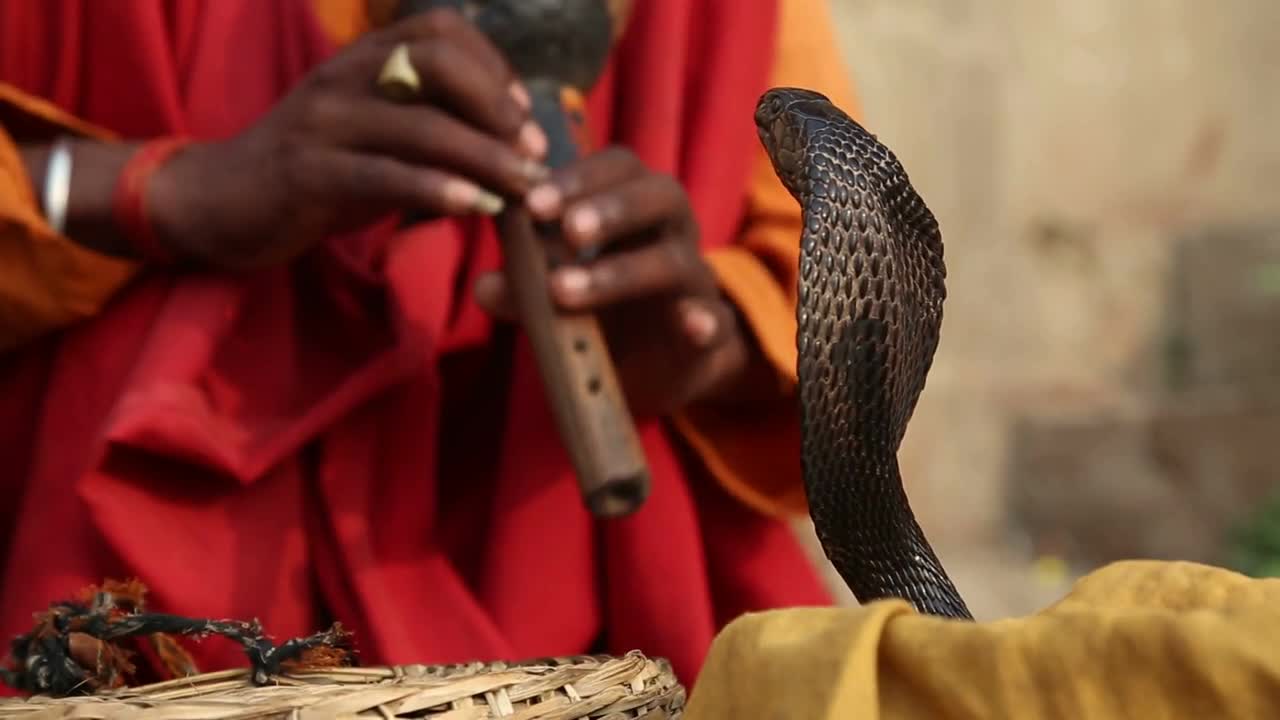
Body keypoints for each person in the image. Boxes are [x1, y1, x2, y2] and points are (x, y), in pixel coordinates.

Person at [0, 0, 860, 687]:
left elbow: (811, 295)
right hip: (134, 605)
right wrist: (165, 191)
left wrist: (701, 342)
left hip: (596, 614)